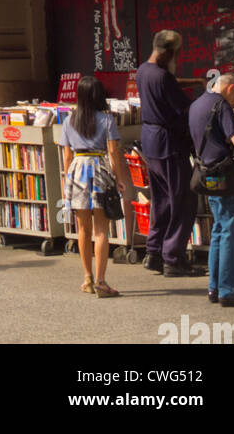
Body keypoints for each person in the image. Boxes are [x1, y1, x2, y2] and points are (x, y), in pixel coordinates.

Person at [60, 75, 133, 297]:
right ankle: (102, 281)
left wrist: (66, 182)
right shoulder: (107, 120)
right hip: (99, 168)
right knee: (101, 229)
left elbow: (67, 155)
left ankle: (87, 278)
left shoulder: (69, 121)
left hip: (77, 170)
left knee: (83, 229)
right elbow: (113, 152)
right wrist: (119, 178)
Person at [137, 30, 198, 276]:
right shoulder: (161, 76)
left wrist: (196, 82)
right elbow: (184, 108)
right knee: (183, 200)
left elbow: (168, 83)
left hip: (151, 143)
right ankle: (173, 257)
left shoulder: (143, 70)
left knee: (162, 200)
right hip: (169, 144)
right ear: (169, 52)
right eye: (177, 53)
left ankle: (154, 252)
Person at [189, 73, 234, 307]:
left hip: (207, 173)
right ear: (230, 89)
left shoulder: (197, 104)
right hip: (225, 173)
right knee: (231, 231)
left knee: (218, 229)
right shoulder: (222, 106)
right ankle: (228, 290)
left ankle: (214, 287)